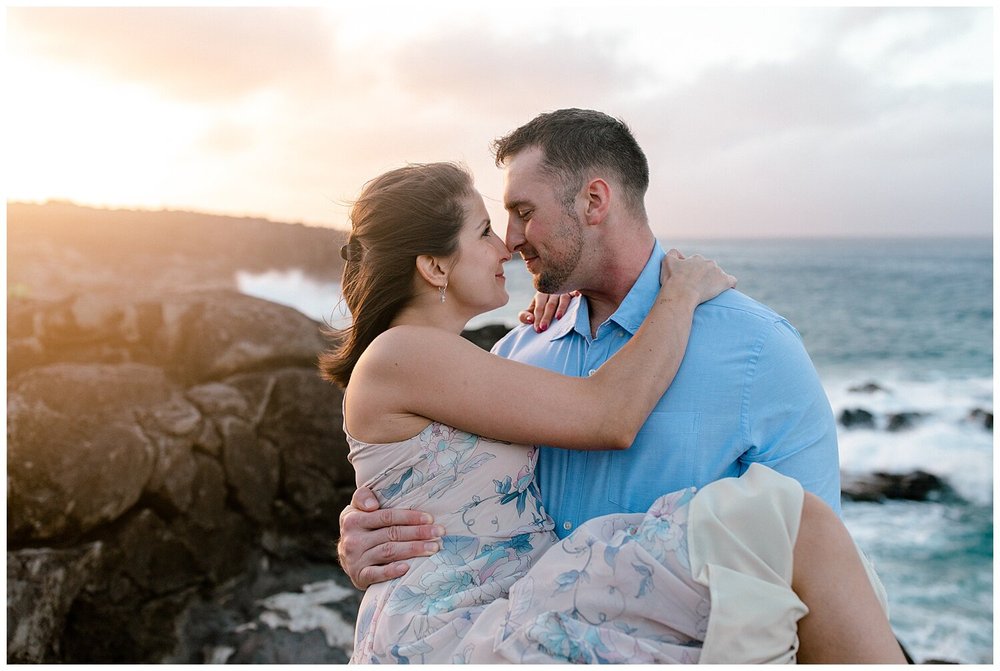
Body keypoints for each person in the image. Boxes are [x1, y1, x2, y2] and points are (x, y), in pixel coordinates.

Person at [322, 161, 904, 663]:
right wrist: (676, 296)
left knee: (797, 532)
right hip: (457, 629)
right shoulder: (406, 353)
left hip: (511, 603)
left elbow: (434, 481)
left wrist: (578, 292)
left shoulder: (482, 358)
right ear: (435, 266)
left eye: (520, 215)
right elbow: (606, 416)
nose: (507, 245)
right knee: (794, 527)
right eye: (485, 231)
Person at [339, 109, 844, 589]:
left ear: (594, 201)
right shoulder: (517, 351)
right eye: (495, 224)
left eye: (522, 212)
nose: (510, 242)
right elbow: (460, 494)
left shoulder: (756, 349)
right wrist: (371, 530)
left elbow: (820, 562)